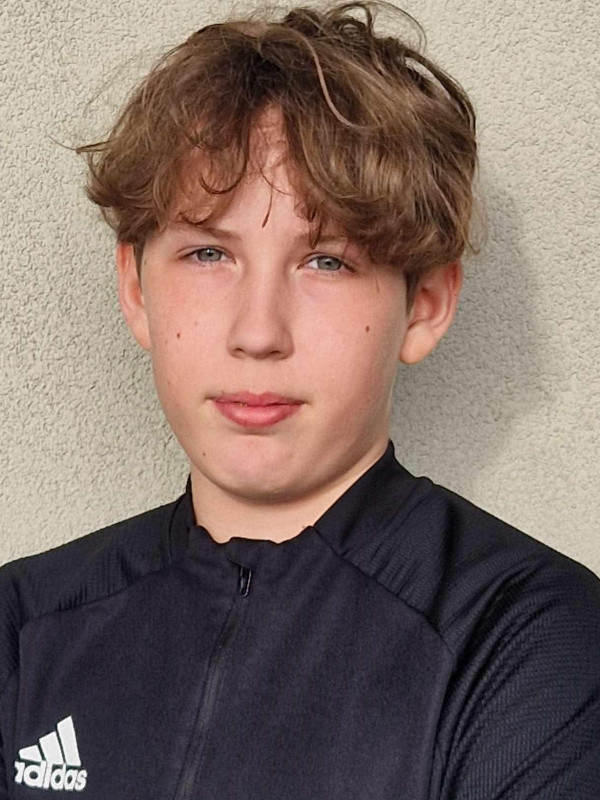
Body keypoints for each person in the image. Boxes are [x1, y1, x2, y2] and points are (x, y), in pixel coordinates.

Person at [1, 1, 598, 797]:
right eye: (208, 253)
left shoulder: (532, 639)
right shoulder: (23, 626)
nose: (258, 333)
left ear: (424, 305)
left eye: (327, 261)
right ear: (136, 289)